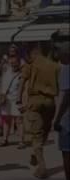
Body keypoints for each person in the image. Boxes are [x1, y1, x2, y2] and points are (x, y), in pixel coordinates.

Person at [18, 42, 60, 179]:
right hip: (50, 102)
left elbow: (22, 81)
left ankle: (42, 167)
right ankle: (35, 154)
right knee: (45, 131)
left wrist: (19, 98)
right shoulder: (55, 66)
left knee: (36, 135)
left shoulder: (31, 64)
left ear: (33, 52)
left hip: (35, 102)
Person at [51, 34, 69, 180]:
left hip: (67, 121)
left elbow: (63, 98)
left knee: (67, 153)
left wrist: (56, 120)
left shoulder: (66, 70)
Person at [0, 52, 22, 147]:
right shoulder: (6, 72)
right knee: (6, 121)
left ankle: (21, 141)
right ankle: (5, 139)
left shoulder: (21, 74)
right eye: (11, 62)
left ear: (19, 63)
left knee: (19, 121)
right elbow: (2, 83)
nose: (13, 64)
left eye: (15, 62)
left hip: (16, 100)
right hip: (6, 100)